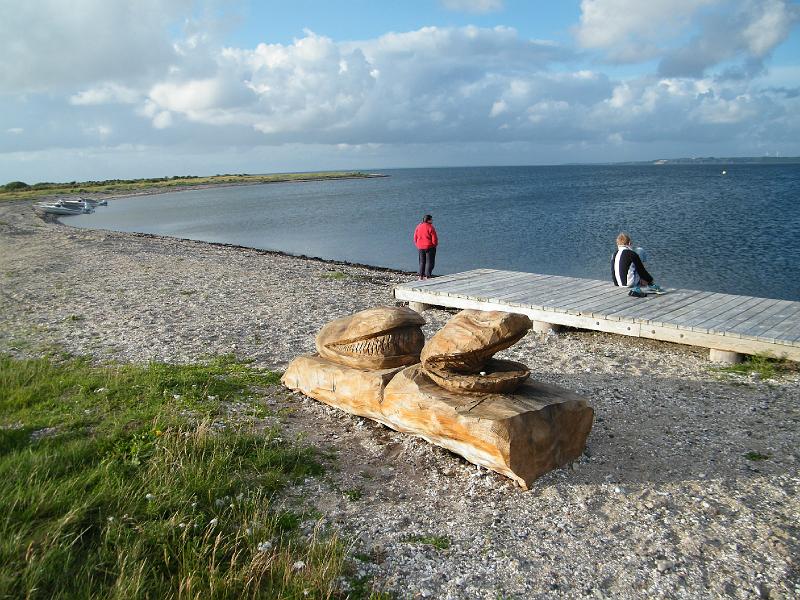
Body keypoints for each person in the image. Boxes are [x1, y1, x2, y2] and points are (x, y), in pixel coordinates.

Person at [413, 214, 438, 280]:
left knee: (422, 262)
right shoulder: (430, 227)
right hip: (429, 247)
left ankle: (421, 276)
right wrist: (435, 245)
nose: (432, 220)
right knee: (429, 262)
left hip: (420, 247)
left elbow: (415, 237)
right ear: (428, 220)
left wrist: (417, 244)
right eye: (431, 219)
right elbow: (434, 238)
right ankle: (428, 276)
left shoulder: (418, 226)